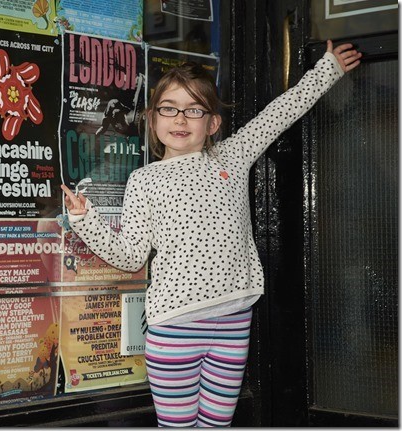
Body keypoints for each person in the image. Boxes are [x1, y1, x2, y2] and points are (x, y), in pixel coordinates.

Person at [61, 40, 361, 427]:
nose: (180, 119)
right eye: (169, 108)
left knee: (218, 425)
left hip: (233, 321)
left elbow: (280, 112)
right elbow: (130, 256)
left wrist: (328, 69)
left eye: (194, 110)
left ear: (212, 123)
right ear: (153, 119)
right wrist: (85, 219)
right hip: (174, 327)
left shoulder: (231, 156)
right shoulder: (143, 180)